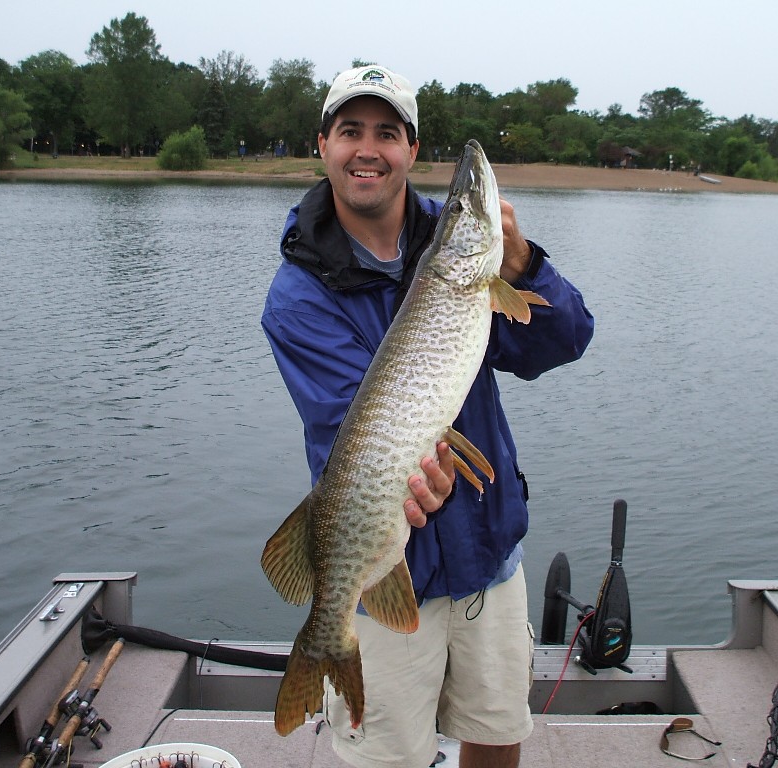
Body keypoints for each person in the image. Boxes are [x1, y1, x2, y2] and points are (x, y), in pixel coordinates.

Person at [261, 64, 595, 768]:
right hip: (384, 558)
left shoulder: (461, 260)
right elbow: (351, 428)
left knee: (497, 737)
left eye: (388, 132)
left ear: (410, 151)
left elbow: (560, 341)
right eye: (351, 131)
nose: (368, 149)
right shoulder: (297, 298)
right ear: (322, 144)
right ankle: (325, 646)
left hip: (489, 555)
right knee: (385, 759)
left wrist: (524, 263)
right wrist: (420, 480)